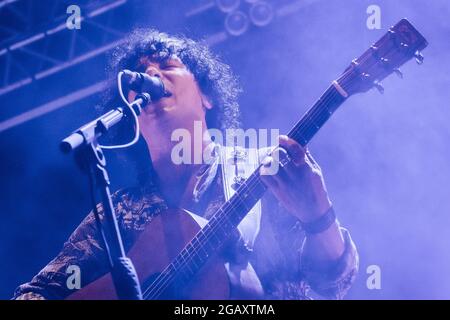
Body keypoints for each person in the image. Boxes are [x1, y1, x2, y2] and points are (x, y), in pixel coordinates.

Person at [13, 29, 358, 300]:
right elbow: (33, 295)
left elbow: (332, 286)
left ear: (207, 97)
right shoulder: (117, 214)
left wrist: (319, 219)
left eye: (166, 65)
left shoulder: (266, 170)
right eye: (140, 72)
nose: (149, 72)